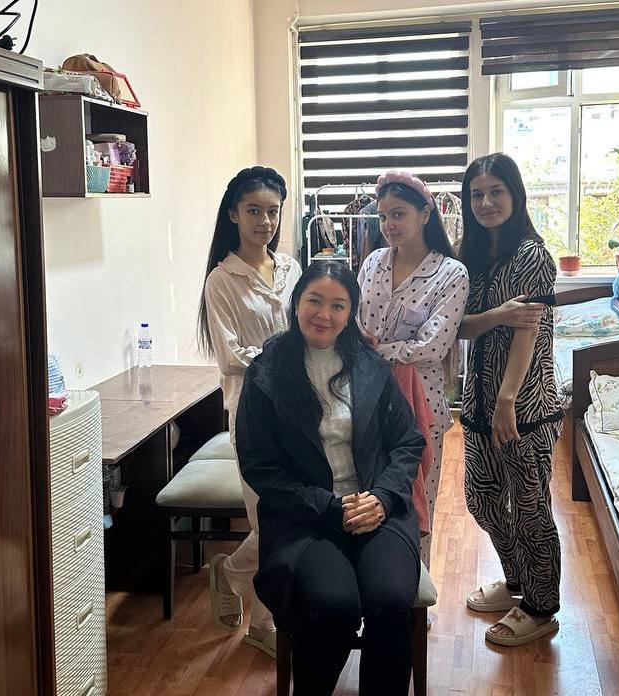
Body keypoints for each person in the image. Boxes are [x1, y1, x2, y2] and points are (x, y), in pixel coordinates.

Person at [236, 260, 424, 696]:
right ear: (296, 303)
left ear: (350, 312)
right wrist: (329, 507)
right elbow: (261, 466)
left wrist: (381, 497)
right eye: (315, 301)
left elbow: (407, 442)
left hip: (377, 510)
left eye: (338, 305)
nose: (324, 314)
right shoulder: (266, 372)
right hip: (304, 518)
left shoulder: (371, 366)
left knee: (391, 602)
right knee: (332, 605)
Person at [458, 153, 564, 646]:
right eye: (477, 194)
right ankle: (517, 579)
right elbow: (459, 327)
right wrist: (497, 315)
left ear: (515, 195)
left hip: (524, 407)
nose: (486, 202)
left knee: (529, 508)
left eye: (495, 191)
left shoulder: (531, 255)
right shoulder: (471, 257)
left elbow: (528, 329)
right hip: (478, 405)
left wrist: (507, 399)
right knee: (481, 499)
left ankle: (541, 608)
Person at [197, 165, 302, 657]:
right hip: (253, 416)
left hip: (301, 413)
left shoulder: (292, 269)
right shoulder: (222, 280)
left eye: (273, 211)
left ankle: (231, 574)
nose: (265, 221)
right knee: (267, 522)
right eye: (254, 210)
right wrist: (284, 360)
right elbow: (229, 357)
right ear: (234, 214)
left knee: (291, 516)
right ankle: (262, 623)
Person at [356, 171, 470, 565]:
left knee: (418, 501)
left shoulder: (451, 273)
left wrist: (375, 350)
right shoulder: (373, 263)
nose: (389, 224)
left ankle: (414, 587)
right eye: (383, 216)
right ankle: (373, 581)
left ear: (424, 215)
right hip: (365, 400)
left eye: (398, 214)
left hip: (421, 403)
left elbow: (433, 346)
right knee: (367, 495)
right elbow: (355, 322)